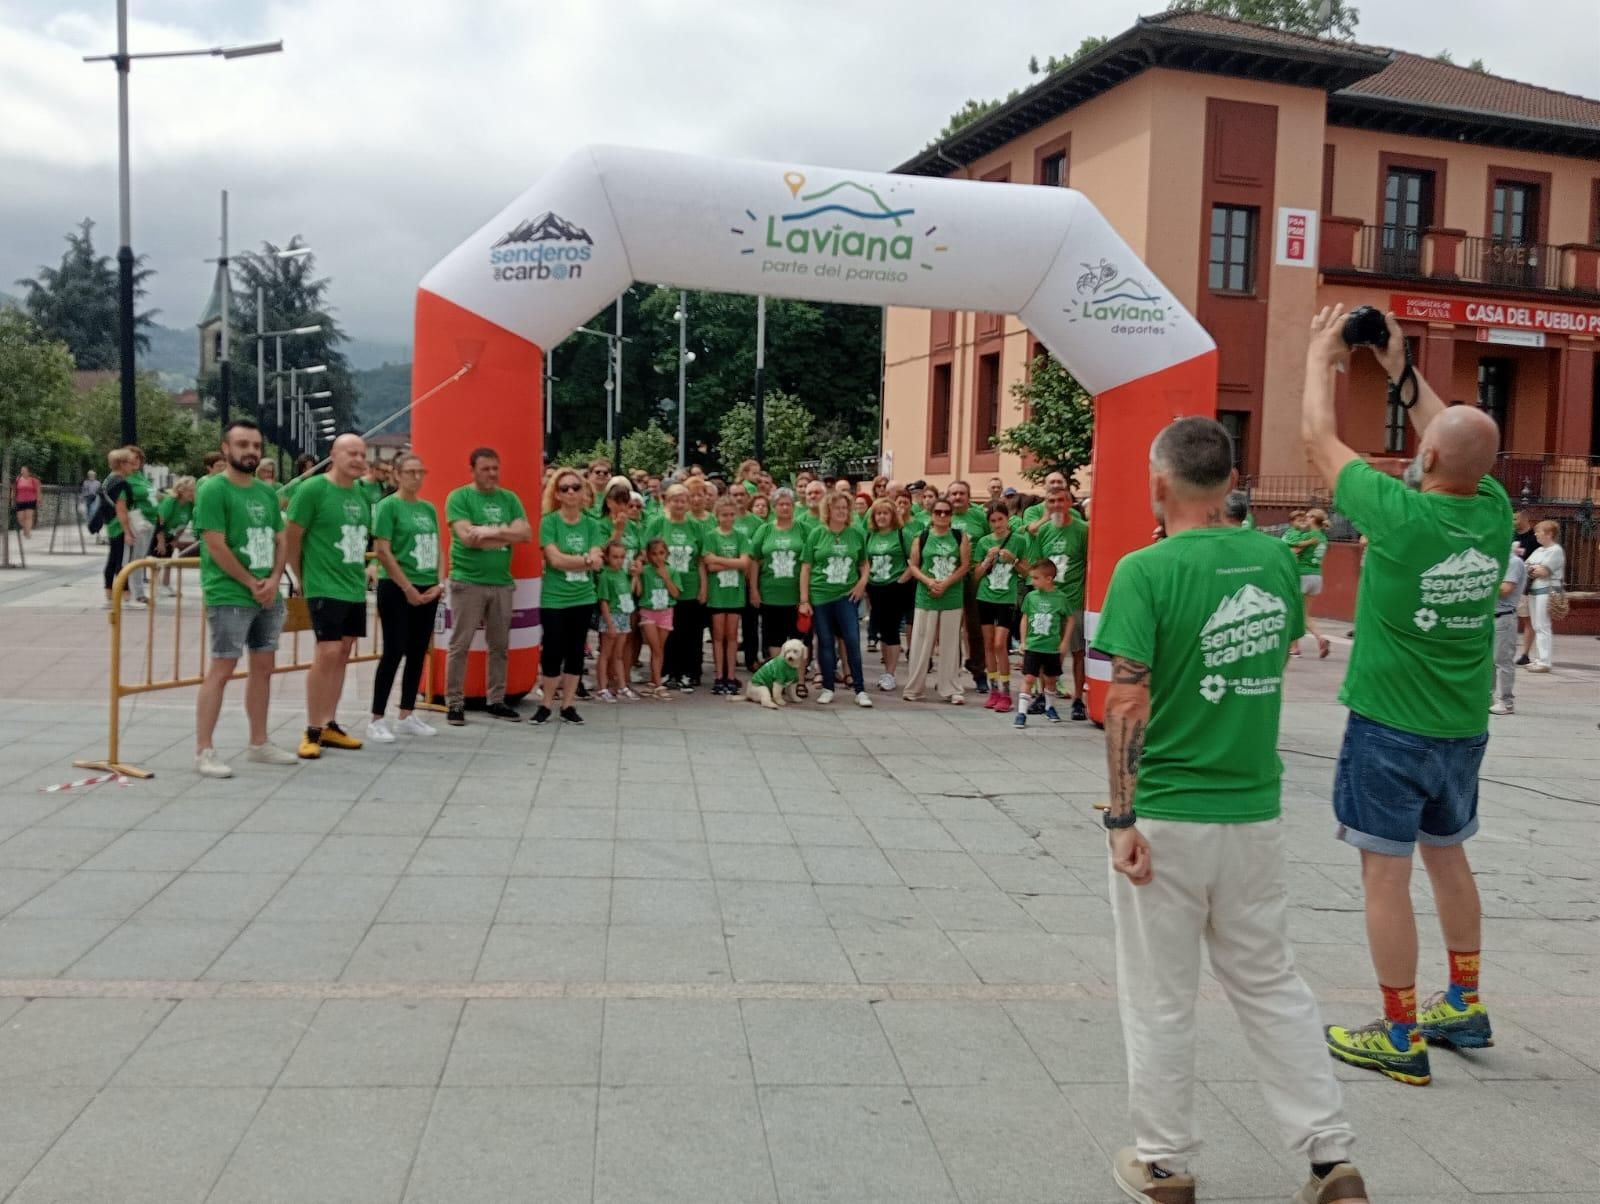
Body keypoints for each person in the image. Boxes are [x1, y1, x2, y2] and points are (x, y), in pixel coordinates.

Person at [1092, 415, 1365, 1204]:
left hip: (1170, 810)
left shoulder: (1144, 571)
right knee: (1271, 983)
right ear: (1231, 482)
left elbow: (1128, 697)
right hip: (1252, 806)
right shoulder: (1276, 559)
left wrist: (1120, 816)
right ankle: (1330, 1157)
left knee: (1160, 993)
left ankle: (1165, 1163)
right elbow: (1271, 654)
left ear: (1158, 484)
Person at [1303, 304, 1510, 1087]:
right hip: (1462, 726)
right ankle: (1461, 998)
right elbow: (1450, 435)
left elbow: (1317, 442)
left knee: (1383, 875)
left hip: (1389, 725)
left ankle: (1397, 1031)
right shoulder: (1490, 511)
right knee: (1448, 857)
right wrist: (1397, 366)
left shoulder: (1402, 515)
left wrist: (1324, 353)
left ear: (1422, 457)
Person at [192, 420, 299, 777]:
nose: (250, 451)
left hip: (267, 592)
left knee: (264, 668)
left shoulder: (267, 492)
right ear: (225, 449)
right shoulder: (213, 490)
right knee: (222, 668)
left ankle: (259, 742)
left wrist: (272, 579)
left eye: (255, 445)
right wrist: (252, 582)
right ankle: (204, 749)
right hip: (229, 592)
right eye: (242, 444)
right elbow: (215, 543)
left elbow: (280, 538)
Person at [285, 433, 372, 759]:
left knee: (344, 650)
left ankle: (329, 722)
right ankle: (311, 728)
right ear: (333, 455)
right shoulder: (313, 490)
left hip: (352, 585)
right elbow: (292, 535)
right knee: (328, 651)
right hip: (323, 585)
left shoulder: (361, 495)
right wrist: (300, 576)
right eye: (351, 452)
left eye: (362, 454)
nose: (359, 459)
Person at [444, 447, 532, 725]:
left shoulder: (510, 498)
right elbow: (468, 538)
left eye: (495, 468)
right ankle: (454, 703)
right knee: (460, 644)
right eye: (486, 469)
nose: (492, 473)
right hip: (467, 581)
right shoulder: (459, 497)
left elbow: (526, 534)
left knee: (500, 646)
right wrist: (507, 536)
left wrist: (491, 532)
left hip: (502, 583)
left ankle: (496, 699)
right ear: (472, 470)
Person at [366, 453, 443, 743]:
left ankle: (407, 713)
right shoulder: (388, 506)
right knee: (393, 650)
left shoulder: (429, 508)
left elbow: (438, 546)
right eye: (410, 472)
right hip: (397, 588)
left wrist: (439, 582)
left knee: (417, 651)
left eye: (420, 471)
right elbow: (383, 550)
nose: (416, 477)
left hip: (428, 586)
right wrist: (407, 587)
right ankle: (376, 718)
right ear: (397, 475)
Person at [535, 465, 606, 725]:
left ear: (583, 492)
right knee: (552, 651)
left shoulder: (592, 524)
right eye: (564, 488)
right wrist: (586, 559)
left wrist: (584, 560)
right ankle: (545, 704)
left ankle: (568, 705)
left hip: (583, 596)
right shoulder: (549, 522)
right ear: (557, 494)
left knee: (576, 651)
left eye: (575, 487)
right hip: (554, 598)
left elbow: (599, 561)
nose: (571, 492)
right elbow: (555, 560)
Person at [800, 491, 872, 707]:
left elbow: (864, 563)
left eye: (844, 508)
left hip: (846, 596)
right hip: (820, 595)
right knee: (825, 642)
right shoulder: (816, 534)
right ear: (828, 510)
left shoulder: (856, 533)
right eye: (837, 507)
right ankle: (828, 687)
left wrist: (861, 584)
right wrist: (804, 599)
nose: (841, 511)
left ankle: (860, 689)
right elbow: (806, 567)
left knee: (851, 640)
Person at [1028, 484, 1091, 721]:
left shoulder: (1083, 530)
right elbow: (1037, 563)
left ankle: (1077, 699)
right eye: (1051, 501)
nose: (1056, 505)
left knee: (1076, 651)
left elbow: (1088, 564)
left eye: (1060, 501)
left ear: (1069, 503)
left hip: (1072, 599)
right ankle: (1045, 696)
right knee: (1046, 649)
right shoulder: (1043, 531)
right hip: (1049, 601)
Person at [903, 496, 970, 704]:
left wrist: (946, 583)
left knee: (950, 641)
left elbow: (965, 565)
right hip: (926, 594)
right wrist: (930, 582)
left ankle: (951, 688)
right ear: (931, 515)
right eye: (938, 512)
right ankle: (914, 687)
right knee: (922, 641)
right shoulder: (921, 536)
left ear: (951, 516)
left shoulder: (960, 537)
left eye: (946, 512)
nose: (942, 516)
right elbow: (913, 565)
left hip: (951, 594)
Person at [649, 483, 704, 692]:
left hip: (690, 586)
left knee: (690, 633)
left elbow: (700, 560)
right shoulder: (658, 523)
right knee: (668, 633)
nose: (679, 504)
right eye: (675, 500)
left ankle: (689, 673)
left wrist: (703, 588)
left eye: (683, 500)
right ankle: (668, 672)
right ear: (667, 501)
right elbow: (648, 554)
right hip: (663, 587)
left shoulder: (696, 526)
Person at [975, 502, 1030, 711]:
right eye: (993, 520)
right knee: (988, 644)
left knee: (1000, 644)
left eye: (1000, 519)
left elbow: (1027, 572)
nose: (997, 524)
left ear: (1007, 519)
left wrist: (1013, 560)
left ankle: (1006, 693)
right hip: (985, 596)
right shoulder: (983, 543)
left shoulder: (1018, 541)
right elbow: (976, 576)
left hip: (1006, 598)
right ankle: (993, 690)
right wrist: (987, 560)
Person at [751, 488, 808, 670]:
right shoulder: (764, 530)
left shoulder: (804, 529)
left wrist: (806, 597)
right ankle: (778, 675)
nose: (785, 508)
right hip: (770, 594)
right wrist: (754, 589)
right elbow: (754, 561)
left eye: (788, 504)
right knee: (773, 637)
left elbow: (810, 562)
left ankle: (797, 681)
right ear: (774, 507)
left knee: (798, 639)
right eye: (780, 504)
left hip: (796, 595)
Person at [701, 495, 753, 695]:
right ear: (717, 516)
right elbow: (709, 564)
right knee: (718, 636)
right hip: (717, 593)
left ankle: (730, 676)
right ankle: (718, 676)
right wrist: (731, 561)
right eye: (724, 515)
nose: (728, 518)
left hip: (735, 593)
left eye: (732, 515)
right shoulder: (712, 536)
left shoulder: (740, 537)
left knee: (732, 636)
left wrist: (720, 560)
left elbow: (744, 563)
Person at [863, 498, 912, 691]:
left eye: (886, 513)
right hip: (875, 587)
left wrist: (900, 582)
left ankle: (891, 673)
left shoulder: (902, 534)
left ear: (893, 515)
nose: (882, 517)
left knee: (892, 630)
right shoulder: (870, 535)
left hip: (895, 586)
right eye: (878, 513)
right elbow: (865, 561)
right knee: (882, 630)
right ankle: (885, 670)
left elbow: (913, 561)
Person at [1012, 560, 1067, 728]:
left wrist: (1064, 641)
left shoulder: (1060, 598)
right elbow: (1025, 618)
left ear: (1049, 579)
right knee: (1028, 677)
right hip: (1033, 645)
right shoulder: (1031, 597)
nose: (1032, 582)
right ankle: (1021, 712)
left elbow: (1069, 618)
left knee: (1050, 679)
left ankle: (1050, 707)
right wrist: (1023, 641)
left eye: (1036, 578)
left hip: (1051, 646)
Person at [1283, 510, 1332, 658]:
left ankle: (1295, 648)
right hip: (1316, 576)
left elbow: (1295, 549)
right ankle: (1321, 638)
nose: (1305, 519)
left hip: (1302, 575)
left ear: (1313, 519)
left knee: (1293, 612)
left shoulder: (1309, 535)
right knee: (1304, 615)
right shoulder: (1323, 538)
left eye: (1308, 516)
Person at [636, 537, 679, 699]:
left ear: (667, 554)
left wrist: (666, 577)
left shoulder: (672, 571)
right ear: (648, 555)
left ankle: (654, 682)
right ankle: (659, 684)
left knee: (659, 649)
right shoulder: (645, 571)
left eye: (661, 553)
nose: (658, 557)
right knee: (655, 648)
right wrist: (636, 574)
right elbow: (639, 592)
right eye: (654, 554)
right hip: (649, 611)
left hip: (666, 612)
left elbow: (675, 593)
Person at [595, 541, 638, 702]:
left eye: (622, 557)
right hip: (611, 617)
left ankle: (621, 686)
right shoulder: (606, 576)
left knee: (619, 655)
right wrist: (609, 624)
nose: (618, 560)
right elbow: (604, 601)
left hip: (623, 615)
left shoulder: (622, 573)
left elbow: (628, 592)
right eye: (615, 557)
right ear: (607, 557)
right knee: (605, 654)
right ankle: (602, 688)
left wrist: (634, 578)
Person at [1490, 539, 1526, 716]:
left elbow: (1506, 589)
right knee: (1489, 661)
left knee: (1502, 660)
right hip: (1491, 616)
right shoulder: (1499, 561)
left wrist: (1485, 586)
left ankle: (1506, 701)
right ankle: (1487, 698)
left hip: (1503, 617)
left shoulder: (1513, 562)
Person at [1524, 520, 1564, 674]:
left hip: (1547, 591)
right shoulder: (1539, 551)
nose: (1535, 534)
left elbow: (1543, 572)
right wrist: (1532, 568)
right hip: (1534, 591)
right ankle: (1540, 658)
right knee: (1536, 625)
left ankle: (1544, 661)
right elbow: (1526, 566)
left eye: (1538, 531)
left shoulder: (1555, 550)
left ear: (1549, 534)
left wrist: (1532, 568)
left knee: (1542, 625)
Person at [121, 446, 159, 604]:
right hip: (137, 520)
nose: (135, 461)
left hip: (149, 521)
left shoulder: (140, 476)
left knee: (140, 557)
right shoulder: (124, 479)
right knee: (133, 558)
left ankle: (135, 590)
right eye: (131, 458)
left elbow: (150, 494)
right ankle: (134, 592)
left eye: (138, 458)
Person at [99, 449, 134, 605]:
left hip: (110, 523)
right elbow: (122, 510)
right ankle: (125, 593)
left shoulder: (107, 480)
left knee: (113, 558)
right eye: (130, 463)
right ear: (122, 464)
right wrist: (128, 531)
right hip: (118, 525)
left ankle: (109, 591)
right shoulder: (120, 484)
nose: (132, 467)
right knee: (121, 560)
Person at [154, 476, 197, 595]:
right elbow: (160, 521)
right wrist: (161, 542)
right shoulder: (171, 501)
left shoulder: (190, 505)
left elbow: (184, 525)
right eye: (190, 490)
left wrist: (175, 540)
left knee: (168, 560)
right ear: (181, 490)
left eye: (194, 490)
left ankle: (166, 585)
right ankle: (155, 586)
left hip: (171, 535)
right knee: (156, 560)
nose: (192, 493)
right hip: (158, 533)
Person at [1512, 509, 1538, 663]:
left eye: (1515, 518)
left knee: (1526, 619)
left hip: (1525, 586)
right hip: (1508, 583)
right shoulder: (1511, 536)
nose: (1513, 522)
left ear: (1524, 519)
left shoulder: (1534, 539)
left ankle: (1525, 654)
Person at [12, 466, 38, 539]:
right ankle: (26, 528)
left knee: (28, 517)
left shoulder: (33, 479)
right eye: (21, 470)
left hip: (31, 500)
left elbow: (37, 490)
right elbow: (14, 489)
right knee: (20, 518)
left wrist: (38, 499)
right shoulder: (18, 479)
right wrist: (12, 499)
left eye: (24, 470)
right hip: (20, 501)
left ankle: (28, 532)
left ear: (28, 472)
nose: (22, 472)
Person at [80, 470, 102, 540]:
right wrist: (82, 499)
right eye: (90, 475)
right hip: (88, 498)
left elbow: (100, 491)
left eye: (92, 475)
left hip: (95, 499)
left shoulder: (98, 483)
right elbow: (83, 491)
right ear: (88, 476)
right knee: (88, 514)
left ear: (94, 476)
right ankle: (91, 526)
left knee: (94, 512)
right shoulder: (85, 482)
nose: (91, 476)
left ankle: (95, 529)